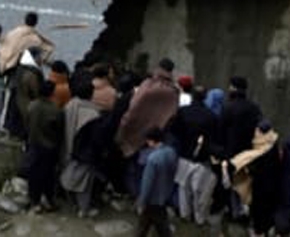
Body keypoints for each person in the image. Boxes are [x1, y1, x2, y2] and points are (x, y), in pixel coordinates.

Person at [116, 59, 181, 158]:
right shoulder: (173, 91)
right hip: (157, 140)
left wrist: (122, 130)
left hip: (134, 133)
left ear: (158, 67)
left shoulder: (147, 85)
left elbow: (134, 107)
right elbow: (173, 115)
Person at [60, 78, 105, 217]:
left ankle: (71, 202)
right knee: (85, 183)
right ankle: (83, 209)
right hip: (84, 154)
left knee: (69, 176)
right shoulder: (94, 113)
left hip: (66, 149)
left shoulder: (69, 106)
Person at [24, 79, 64, 213]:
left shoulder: (31, 106)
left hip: (33, 145)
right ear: (52, 93)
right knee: (48, 176)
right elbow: (58, 131)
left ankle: (34, 201)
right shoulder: (55, 110)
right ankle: (49, 201)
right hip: (49, 147)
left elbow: (27, 124)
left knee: (33, 175)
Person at [136, 127, 178, 236]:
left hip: (152, 199)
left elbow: (147, 184)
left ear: (151, 140)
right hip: (165, 195)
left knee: (145, 226)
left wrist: (142, 202)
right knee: (158, 224)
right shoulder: (171, 152)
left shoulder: (152, 159)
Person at [169, 85, 218, 161]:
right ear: (205, 97)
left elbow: (173, 131)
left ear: (192, 96)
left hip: (182, 151)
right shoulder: (211, 115)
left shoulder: (182, 111)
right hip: (200, 155)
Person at [6, 46, 46, 140]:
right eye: (40, 56)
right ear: (34, 57)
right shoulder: (32, 73)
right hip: (27, 107)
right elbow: (36, 92)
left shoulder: (20, 69)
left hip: (17, 104)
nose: (42, 59)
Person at [221, 76, 263, 159]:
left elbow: (222, 130)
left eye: (230, 86)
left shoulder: (228, 107)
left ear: (234, 88)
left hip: (232, 152)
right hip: (250, 152)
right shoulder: (254, 107)